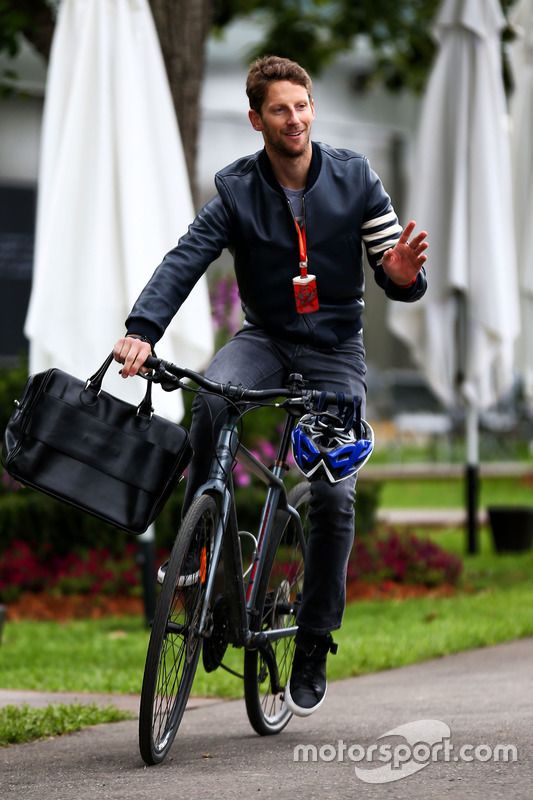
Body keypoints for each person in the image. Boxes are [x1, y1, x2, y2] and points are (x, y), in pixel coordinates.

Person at [113, 55, 428, 717]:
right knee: (212, 395)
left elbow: (393, 269)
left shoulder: (356, 179)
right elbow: (185, 259)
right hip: (264, 338)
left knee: (332, 497)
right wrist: (143, 329)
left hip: (336, 349)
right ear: (256, 119)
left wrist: (398, 274)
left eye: (302, 106)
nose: (295, 119)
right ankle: (205, 543)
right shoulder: (236, 190)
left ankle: (313, 639)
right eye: (280, 110)